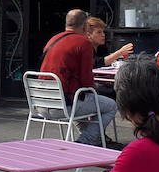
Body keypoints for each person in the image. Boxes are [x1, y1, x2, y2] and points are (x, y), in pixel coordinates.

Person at [40, 9, 117, 146]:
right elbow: (86, 81)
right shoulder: (83, 43)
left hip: (41, 104)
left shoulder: (53, 39)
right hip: (64, 105)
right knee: (110, 105)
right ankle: (85, 141)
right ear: (84, 26)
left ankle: (94, 137)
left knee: (82, 100)